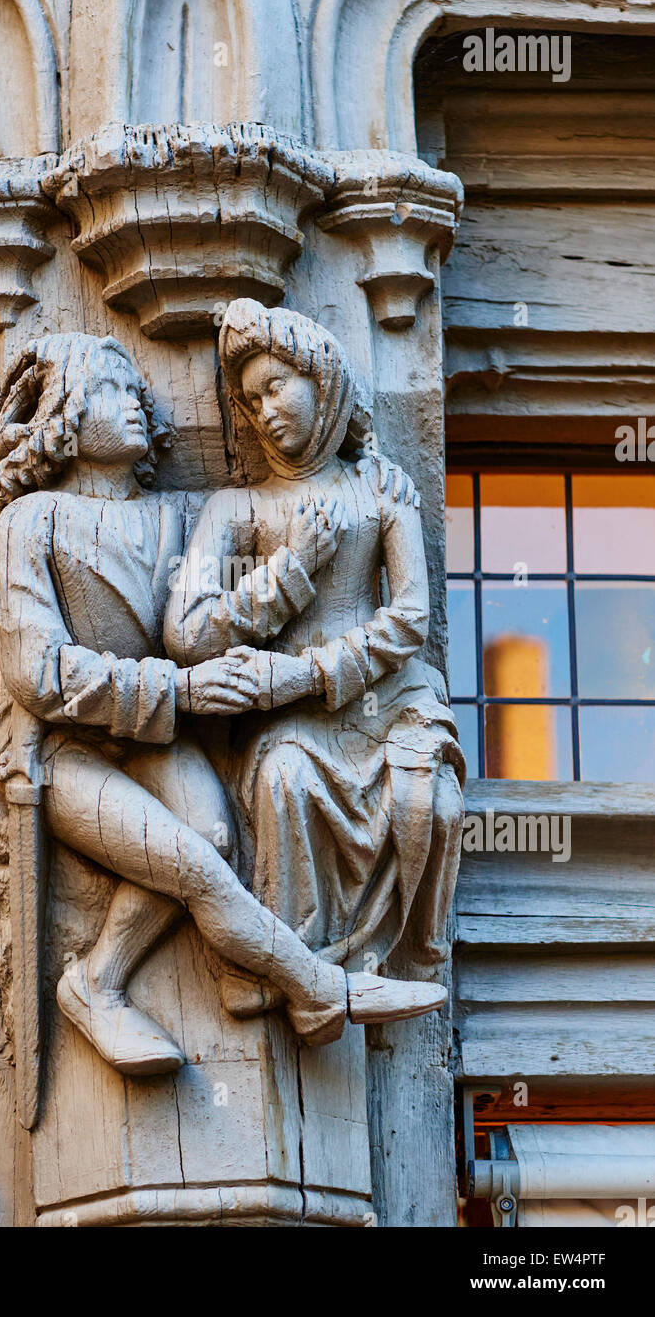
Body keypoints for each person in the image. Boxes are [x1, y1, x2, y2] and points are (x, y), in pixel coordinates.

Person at [0, 332, 440, 1079]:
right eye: (105, 393)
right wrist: (180, 690)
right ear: (63, 415)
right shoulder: (30, 524)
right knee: (194, 863)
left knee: (212, 837)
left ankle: (96, 975)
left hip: (160, 744)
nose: (133, 404)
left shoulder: (182, 512)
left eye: (135, 392)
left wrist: (365, 480)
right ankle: (321, 987)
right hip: (68, 751)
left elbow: (278, 508)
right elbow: (41, 672)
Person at [164, 299, 465, 1020]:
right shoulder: (237, 512)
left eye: (277, 388)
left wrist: (312, 672)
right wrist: (286, 573)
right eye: (249, 399)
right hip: (291, 721)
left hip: (388, 702)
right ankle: (295, 967)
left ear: (322, 381)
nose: (264, 411)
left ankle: (406, 955)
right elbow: (185, 631)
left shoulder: (382, 492)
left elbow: (410, 618)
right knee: (282, 782)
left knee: (432, 803)